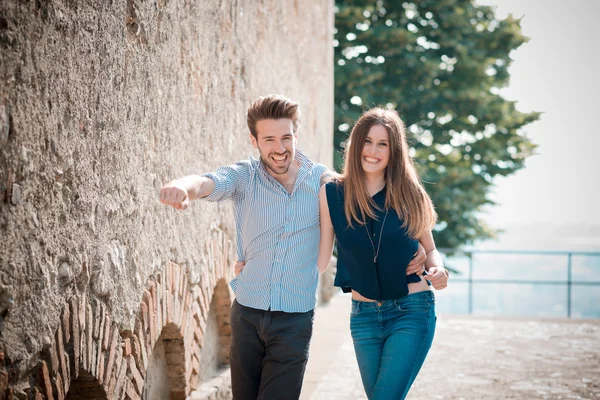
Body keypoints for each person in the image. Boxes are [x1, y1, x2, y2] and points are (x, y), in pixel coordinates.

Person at [160, 95, 428, 400]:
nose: (280, 148)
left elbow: (371, 196)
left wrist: (419, 245)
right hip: (246, 313)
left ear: (295, 136)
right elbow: (208, 182)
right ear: (254, 140)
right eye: (269, 139)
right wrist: (182, 187)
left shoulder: (322, 181)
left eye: (286, 137)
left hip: (294, 321)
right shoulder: (244, 176)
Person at [317, 107, 448, 400]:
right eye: (367, 141)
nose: (372, 151)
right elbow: (321, 259)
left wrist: (438, 268)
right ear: (355, 144)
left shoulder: (409, 192)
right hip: (362, 316)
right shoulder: (331, 193)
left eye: (382, 144)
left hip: (411, 310)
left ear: (394, 151)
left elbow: (431, 249)